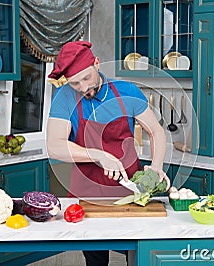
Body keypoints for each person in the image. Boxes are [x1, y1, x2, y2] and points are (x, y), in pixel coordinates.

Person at [46, 41, 169, 265]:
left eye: (86, 79)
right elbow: (54, 145)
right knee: (95, 259)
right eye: (75, 83)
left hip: (131, 191)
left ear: (97, 63)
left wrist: (157, 166)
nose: (83, 88)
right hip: (88, 193)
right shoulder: (64, 97)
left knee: (137, 256)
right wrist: (98, 155)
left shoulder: (127, 91)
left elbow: (156, 131)